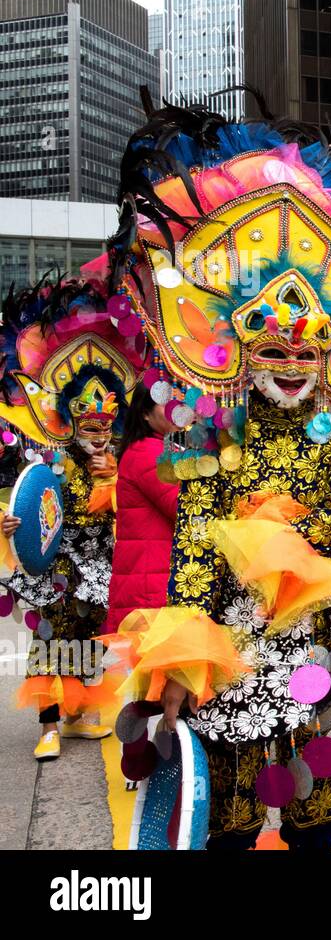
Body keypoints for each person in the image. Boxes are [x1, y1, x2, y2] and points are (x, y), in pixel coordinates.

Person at [104, 104, 331, 848]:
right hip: (233, 654)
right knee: (230, 820)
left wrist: (296, 531)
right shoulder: (214, 445)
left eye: (303, 354)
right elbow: (193, 552)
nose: (290, 367)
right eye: (274, 353)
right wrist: (180, 663)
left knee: (316, 816)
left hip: (312, 652)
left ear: (327, 359)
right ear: (241, 356)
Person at [0, 273, 146, 760]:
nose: (98, 430)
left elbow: (134, 513)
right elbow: (29, 501)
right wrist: (11, 524)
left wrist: (114, 479)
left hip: (101, 566)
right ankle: (48, 724)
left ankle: (81, 715)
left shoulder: (123, 460)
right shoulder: (53, 461)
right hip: (61, 567)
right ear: (71, 418)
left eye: (106, 422)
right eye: (88, 421)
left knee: (88, 640)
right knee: (51, 639)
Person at [105, 384, 182, 635]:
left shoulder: (161, 449)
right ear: (145, 414)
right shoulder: (148, 453)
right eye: (166, 402)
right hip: (150, 587)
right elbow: (182, 506)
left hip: (150, 579)